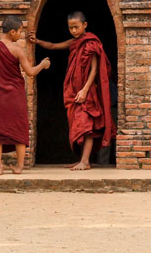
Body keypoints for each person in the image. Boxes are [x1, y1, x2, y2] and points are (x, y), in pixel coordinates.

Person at [31, 11, 115, 170]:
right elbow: (54, 46)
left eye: (76, 27)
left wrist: (84, 90)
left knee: (88, 125)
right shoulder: (74, 42)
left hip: (87, 91)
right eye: (71, 28)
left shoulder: (91, 43)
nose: (74, 31)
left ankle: (85, 161)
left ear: (85, 25)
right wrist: (37, 41)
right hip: (75, 92)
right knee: (81, 126)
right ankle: (83, 160)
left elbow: (95, 70)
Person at [0, 15, 50, 175]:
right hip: (15, 96)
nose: (20, 35)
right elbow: (30, 72)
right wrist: (42, 65)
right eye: (20, 32)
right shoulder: (17, 50)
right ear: (12, 32)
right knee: (19, 130)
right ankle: (19, 167)